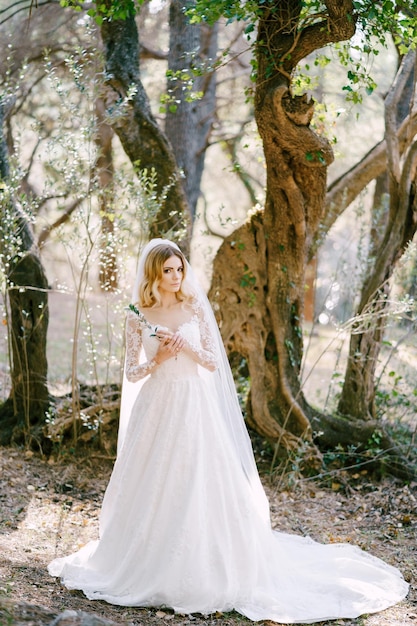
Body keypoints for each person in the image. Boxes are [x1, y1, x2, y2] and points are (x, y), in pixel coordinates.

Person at [48, 238, 409, 623]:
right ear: (153, 273)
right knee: (153, 480)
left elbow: (212, 362)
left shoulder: (193, 306)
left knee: (199, 479)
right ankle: (145, 557)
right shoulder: (138, 313)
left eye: (179, 269)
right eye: (167, 270)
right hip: (156, 405)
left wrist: (183, 347)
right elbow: (131, 372)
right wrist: (159, 359)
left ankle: (206, 561)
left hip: (193, 406)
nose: (175, 276)